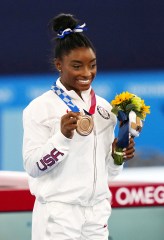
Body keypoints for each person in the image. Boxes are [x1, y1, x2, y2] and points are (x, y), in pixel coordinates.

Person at [22, 13, 135, 240]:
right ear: (59, 65)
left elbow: (109, 174)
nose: (86, 73)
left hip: (97, 215)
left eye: (92, 65)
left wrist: (117, 156)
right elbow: (33, 167)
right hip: (58, 215)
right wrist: (62, 137)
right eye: (77, 66)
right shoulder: (40, 108)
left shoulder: (104, 109)